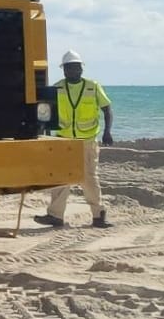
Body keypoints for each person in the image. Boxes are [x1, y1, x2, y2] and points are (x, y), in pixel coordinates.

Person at [34, 49, 114, 228]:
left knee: (89, 178)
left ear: (81, 69)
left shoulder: (93, 87)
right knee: (61, 178)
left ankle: (98, 216)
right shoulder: (57, 88)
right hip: (63, 141)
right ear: (64, 70)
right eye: (69, 68)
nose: (72, 71)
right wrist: (44, 135)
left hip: (87, 141)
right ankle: (55, 215)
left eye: (75, 67)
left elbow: (107, 109)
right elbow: (45, 113)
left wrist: (107, 131)